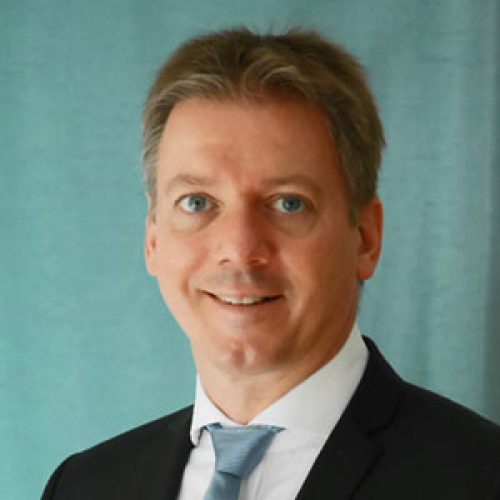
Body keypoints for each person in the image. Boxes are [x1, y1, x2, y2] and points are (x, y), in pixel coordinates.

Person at [42, 27, 500, 500]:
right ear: (153, 236)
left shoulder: (481, 478)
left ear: (366, 238)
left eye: (288, 203)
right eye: (197, 202)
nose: (240, 249)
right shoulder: (81, 487)